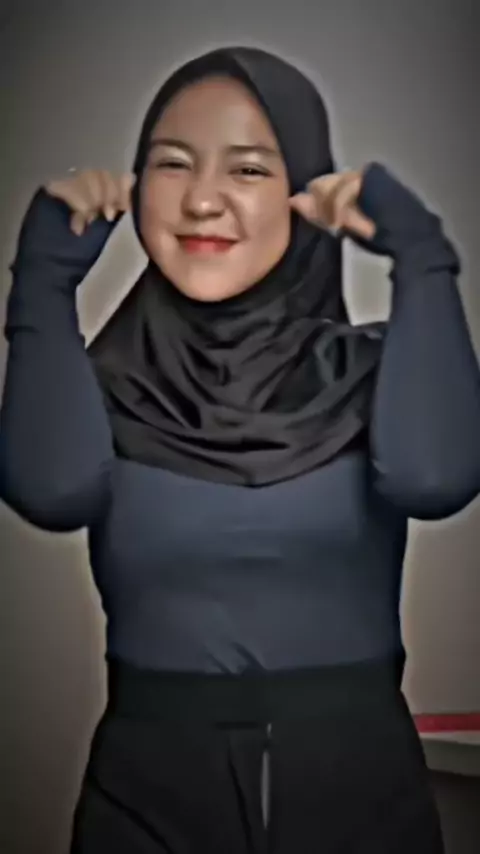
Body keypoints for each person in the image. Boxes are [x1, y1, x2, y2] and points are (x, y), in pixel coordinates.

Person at [1, 45, 480, 854]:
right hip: (146, 803)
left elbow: (437, 479)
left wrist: (423, 258)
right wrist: (41, 284)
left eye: (249, 169)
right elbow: (51, 492)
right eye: (171, 164)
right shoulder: (101, 382)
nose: (201, 201)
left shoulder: (373, 370)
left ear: (304, 192)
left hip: (363, 796)